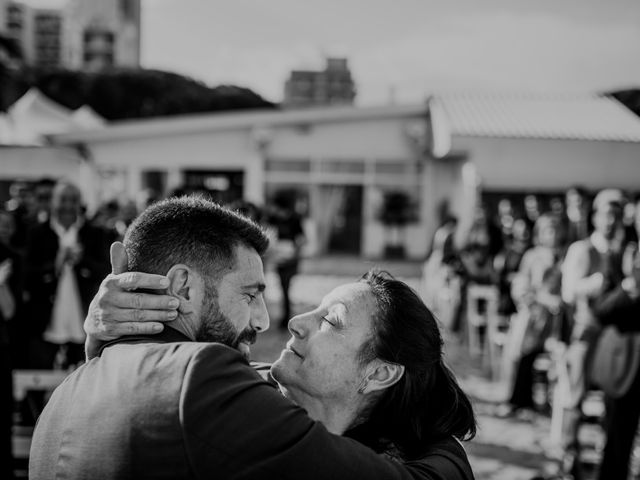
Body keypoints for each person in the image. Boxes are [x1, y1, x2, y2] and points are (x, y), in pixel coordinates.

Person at [31, 196, 476, 479]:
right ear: (183, 287)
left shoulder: (66, 393)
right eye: (249, 294)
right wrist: (445, 442)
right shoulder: (201, 378)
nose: (269, 321)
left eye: (331, 319)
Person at [557, 189, 626, 479]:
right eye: (606, 214)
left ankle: (606, 460)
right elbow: (568, 292)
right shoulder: (582, 249)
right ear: (595, 216)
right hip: (586, 331)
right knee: (575, 398)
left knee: (616, 399)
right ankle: (569, 461)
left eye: (617, 215)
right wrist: (594, 283)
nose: (611, 221)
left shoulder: (623, 251)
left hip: (616, 336)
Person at [24, 181, 109, 369]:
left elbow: (104, 271)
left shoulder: (93, 233)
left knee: (82, 372)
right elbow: (28, 274)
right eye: (63, 200)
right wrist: (56, 264)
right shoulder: (37, 232)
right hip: (47, 317)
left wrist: (82, 260)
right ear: (53, 202)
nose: (68, 206)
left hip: (82, 315)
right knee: (41, 370)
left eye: (73, 200)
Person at [589, 193, 640, 480]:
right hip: (626, 360)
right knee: (618, 437)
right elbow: (601, 310)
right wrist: (630, 288)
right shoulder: (623, 255)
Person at [499, 214, 564, 417]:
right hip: (534, 317)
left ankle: (549, 400)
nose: (552, 235)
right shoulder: (532, 256)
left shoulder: (564, 255)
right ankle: (519, 399)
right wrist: (536, 300)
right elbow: (521, 285)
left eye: (555, 230)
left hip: (557, 320)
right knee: (524, 353)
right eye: (547, 231)